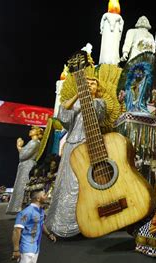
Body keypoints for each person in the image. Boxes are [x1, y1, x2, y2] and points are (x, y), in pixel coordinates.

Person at [46, 71, 107, 237]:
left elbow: (97, 116)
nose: (89, 84)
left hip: (89, 146)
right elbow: (63, 115)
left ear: (98, 88)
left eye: (93, 83)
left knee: (82, 184)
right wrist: (77, 96)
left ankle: (82, 223)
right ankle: (58, 222)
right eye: (86, 82)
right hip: (72, 144)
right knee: (65, 182)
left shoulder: (99, 103)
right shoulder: (76, 103)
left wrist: (86, 99)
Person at [11, 190, 57, 263]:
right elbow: (17, 230)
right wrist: (16, 250)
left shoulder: (40, 211)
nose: (47, 197)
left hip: (35, 248)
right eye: (44, 195)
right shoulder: (26, 212)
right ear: (38, 198)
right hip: (26, 249)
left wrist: (49, 234)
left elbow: (41, 224)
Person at [6, 126, 44, 214]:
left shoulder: (34, 143)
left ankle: (22, 206)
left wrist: (19, 147)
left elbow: (23, 156)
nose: (30, 131)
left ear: (38, 132)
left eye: (33, 129)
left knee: (24, 186)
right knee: (22, 186)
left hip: (27, 166)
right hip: (25, 166)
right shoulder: (33, 142)